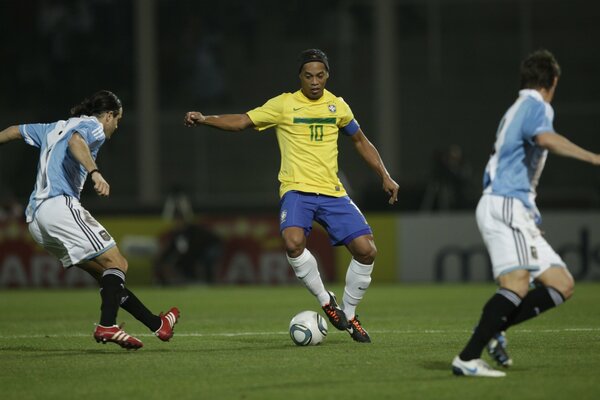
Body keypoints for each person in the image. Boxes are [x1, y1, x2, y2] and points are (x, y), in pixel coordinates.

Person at [184, 49, 399, 343]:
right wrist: (205, 118)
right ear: (300, 76)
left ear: (327, 76)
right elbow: (243, 121)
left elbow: (360, 141)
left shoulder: (337, 107)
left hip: (333, 192)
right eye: (308, 76)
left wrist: (384, 175)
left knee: (367, 250)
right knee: (293, 242)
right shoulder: (284, 105)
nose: (314, 81)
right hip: (297, 189)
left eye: (320, 75)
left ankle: (348, 314)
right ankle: (326, 301)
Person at [451, 49, 600, 377]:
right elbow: (544, 138)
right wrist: (593, 158)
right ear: (554, 81)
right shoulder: (536, 105)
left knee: (561, 284)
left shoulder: (517, 109)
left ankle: (495, 329)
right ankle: (468, 358)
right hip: (505, 203)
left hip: (511, 205)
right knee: (517, 283)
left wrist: (528, 213)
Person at [0, 90, 180, 350]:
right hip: (58, 205)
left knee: (107, 274)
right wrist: (95, 172)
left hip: (36, 221)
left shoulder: (53, 127)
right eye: (117, 119)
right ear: (108, 115)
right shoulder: (91, 126)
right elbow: (75, 141)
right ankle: (107, 326)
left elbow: (14, 131)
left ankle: (157, 324)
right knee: (118, 262)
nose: (117, 125)